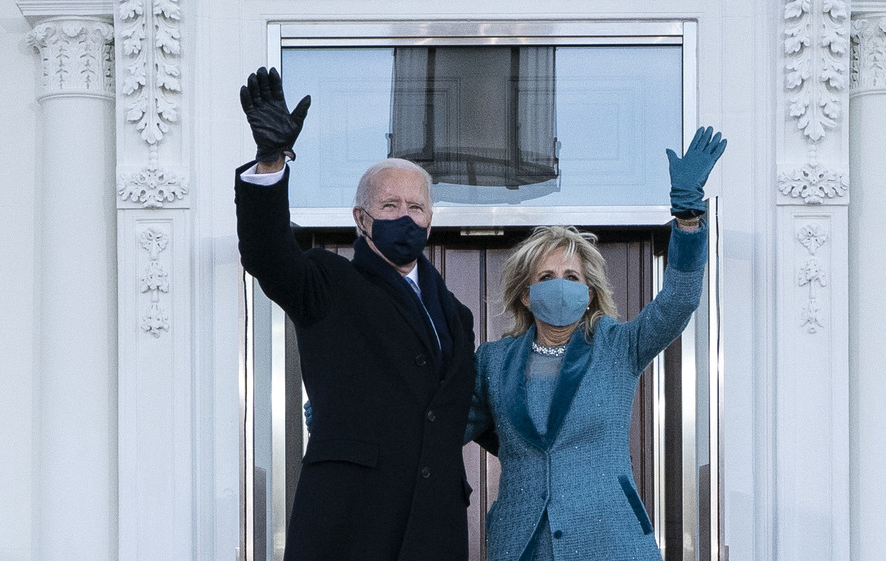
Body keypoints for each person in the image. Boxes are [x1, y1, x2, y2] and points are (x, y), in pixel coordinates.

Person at [235, 66, 478, 560]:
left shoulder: (457, 315)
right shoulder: (327, 281)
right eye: (390, 205)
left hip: (433, 531)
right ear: (361, 219)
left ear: (431, 220)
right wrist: (270, 161)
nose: (405, 216)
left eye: (417, 206)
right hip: (348, 526)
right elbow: (267, 255)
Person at [464, 127, 726, 560]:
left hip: (609, 539)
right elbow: (439, 423)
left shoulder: (618, 347)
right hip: (523, 545)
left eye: (572, 278)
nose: (560, 286)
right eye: (546, 278)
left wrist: (688, 220)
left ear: (588, 293)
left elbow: (679, 300)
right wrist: (350, 416)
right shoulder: (493, 363)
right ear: (526, 295)